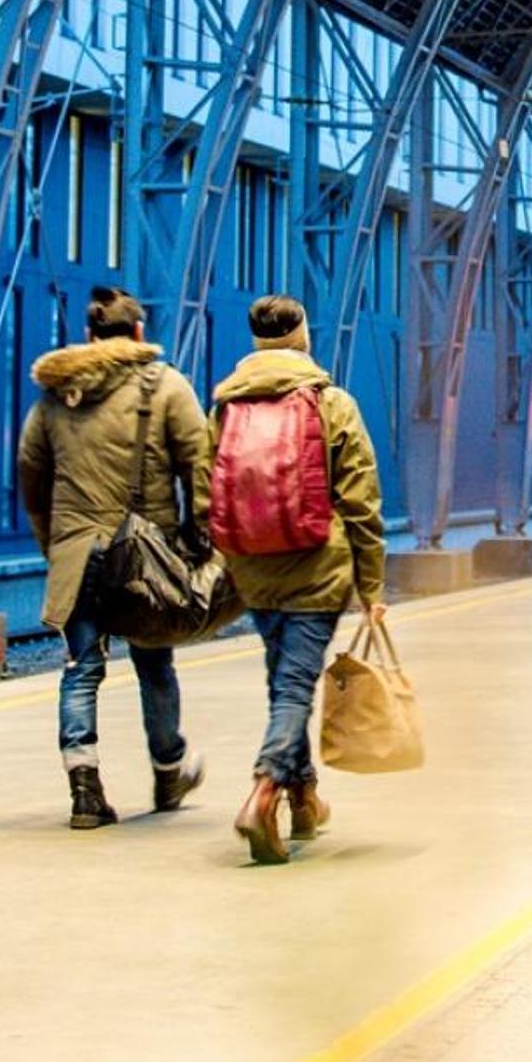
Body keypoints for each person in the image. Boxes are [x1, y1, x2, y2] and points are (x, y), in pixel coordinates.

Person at [17, 285, 211, 828]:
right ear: (139, 333)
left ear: (89, 335)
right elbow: (200, 465)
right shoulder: (167, 387)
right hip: (147, 555)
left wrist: (54, 543)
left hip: (77, 552)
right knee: (155, 665)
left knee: (81, 670)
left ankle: (84, 790)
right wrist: (200, 540)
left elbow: (32, 476)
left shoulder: (56, 396)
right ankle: (168, 772)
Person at [205, 295, 387, 865]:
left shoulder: (226, 406)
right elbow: (360, 499)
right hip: (317, 566)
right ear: (301, 334)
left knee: (285, 679)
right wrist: (373, 587)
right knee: (293, 687)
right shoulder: (332, 401)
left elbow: (204, 486)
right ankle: (263, 793)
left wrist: (226, 556)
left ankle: (304, 798)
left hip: (254, 569)